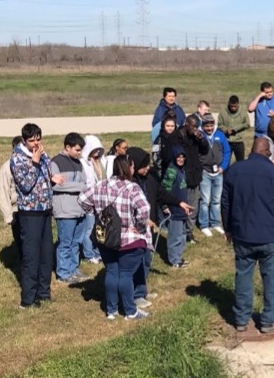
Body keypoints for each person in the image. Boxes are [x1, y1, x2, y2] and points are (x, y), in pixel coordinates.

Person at [221, 136, 274, 334]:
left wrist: (227, 229)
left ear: (252, 150)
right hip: (269, 235)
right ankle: (269, 321)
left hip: (242, 234)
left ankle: (242, 320)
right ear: (268, 152)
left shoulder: (233, 171)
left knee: (243, 275)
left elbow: (225, 203)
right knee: (271, 276)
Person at [78, 154, 153, 321]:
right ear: (128, 168)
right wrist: (140, 227)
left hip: (106, 237)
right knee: (125, 275)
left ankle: (111, 311)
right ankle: (130, 312)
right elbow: (144, 209)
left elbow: (82, 199)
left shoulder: (100, 185)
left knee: (112, 272)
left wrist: (96, 214)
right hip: (129, 238)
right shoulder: (132, 188)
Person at [10, 123, 64, 309]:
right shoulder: (17, 159)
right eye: (32, 140)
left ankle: (44, 292)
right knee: (31, 256)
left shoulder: (43, 154)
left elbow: (45, 174)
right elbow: (25, 185)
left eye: (38, 139)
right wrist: (34, 162)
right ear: (24, 140)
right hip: (30, 212)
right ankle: (28, 299)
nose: (36, 143)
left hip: (45, 209)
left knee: (46, 254)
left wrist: (52, 178)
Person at [127, 146, 191, 301]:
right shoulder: (128, 184)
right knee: (135, 262)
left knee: (147, 260)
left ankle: (141, 291)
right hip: (133, 230)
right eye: (144, 166)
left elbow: (162, 194)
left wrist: (179, 203)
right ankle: (134, 296)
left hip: (149, 228)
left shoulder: (149, 179)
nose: (148, 168)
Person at [50, 132, 88, 283]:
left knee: (76, 243)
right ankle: (63, 273)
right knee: (65, 243)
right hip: (65, 211)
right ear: (67, 147)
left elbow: (85, 183)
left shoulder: (79, 164)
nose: (79, 153)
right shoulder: (55, 162)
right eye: (77, 150)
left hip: (80, 210)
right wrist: (79, 186)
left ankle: (73, 269)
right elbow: (56, 186)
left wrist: (79, 186)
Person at [173, 113, 209, 238]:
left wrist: (202, 140)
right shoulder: (178, 136)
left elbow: (205, 150)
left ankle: (189, 231)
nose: (195, 130)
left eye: (197, 127)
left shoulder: (196, 137)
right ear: (186, 125)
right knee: (184, 206)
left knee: (194, 207)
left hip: (195, 176)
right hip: (183, 177)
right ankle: (181, 231)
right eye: (193, 127)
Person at [198, 113, 231, 236]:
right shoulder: (200, 136)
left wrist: (223, 167)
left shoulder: (220, 135)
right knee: (205, 200)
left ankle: (215, 223)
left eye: (211, 125)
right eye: (207, 126)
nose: (209, 128)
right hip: (205, 172)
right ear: (203, 125)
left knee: (216, 200)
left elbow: (227, 151)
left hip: (218, 172)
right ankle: (204, 224)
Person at [161, 146, 192, 268]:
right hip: (174, 210)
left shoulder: (181, 170)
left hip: (183, 210)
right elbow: (164, 191)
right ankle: (174, 260)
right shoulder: (172, 171)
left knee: (182, 234)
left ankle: (179, 257)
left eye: (183, 156)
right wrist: (165, 206)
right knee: (175, 236)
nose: (181, 159)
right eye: (178, 157)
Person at [78, 136, 105, 264]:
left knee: (99, 228)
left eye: (99, 150)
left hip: (100, 200)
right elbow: (87, 182)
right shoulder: (84, 163)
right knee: (88, 229)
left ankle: (98, 252)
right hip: (90, 200)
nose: (98, 153)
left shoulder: (99, 162)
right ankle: (88, 254)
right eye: (95, 150)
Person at [0, 136, 22, 260]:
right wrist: (8, 216)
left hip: (31, 209)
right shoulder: (7, 167)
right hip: (16, 210)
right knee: (21, 242)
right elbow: (3, 192)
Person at [219, 95, 252, 161]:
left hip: (239, 141)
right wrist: (225, 130)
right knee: (225, 162)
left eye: (235, 106)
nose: (233, 108)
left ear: (238, 104)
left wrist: (235, 129)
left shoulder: (243, 112)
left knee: (240, 163)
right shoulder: (223, 112)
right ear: (229, 104)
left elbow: (247, 124)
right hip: (227, 141)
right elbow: (220, 125)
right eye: (231, 106)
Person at [153, 113, 179, 179]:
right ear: (163, 126)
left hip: (178, 172)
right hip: (165, 173)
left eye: (172, 126)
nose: (170, 128)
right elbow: (155, 157)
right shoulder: (158, 139)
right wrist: (160, 173)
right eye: (168, 126)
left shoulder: (179, 138)